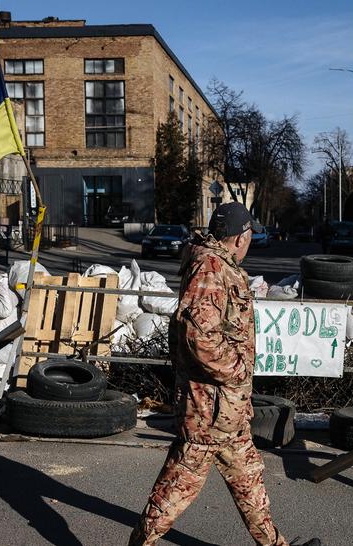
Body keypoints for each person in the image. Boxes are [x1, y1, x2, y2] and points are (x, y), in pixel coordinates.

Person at [129, 203, 319, 546]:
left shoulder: (221, 265)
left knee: (250, 481)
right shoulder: (210, 267)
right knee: (176, 489)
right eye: (250, 235)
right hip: (209, 412)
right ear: (241, 237)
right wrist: (236, 369)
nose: (250, 241)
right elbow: (197, 334)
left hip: (228, 410)